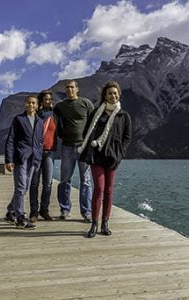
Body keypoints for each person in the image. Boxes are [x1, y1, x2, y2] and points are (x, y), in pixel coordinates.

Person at [78, 80, 131, 238]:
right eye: (110, 93)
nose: (113, 96)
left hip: (113, 157)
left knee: (109, 190)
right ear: (105, 96)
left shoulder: (123, 116)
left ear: (118, 95)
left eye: (115, 93)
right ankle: (94, 223)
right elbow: (87, 132)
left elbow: (127, 138)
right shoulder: (96, 113)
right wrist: (89, 150)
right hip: (97, 156)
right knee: (99, 189)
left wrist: (120, 153)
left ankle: (105, 223)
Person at [54, 80, 94, 222]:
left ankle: (87, 212)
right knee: (65, 179)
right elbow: (53, 122)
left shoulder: (86, 103)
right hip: (66, 147)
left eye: (72, 87)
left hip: (84, 147)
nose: (69, 89)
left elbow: (94, 123)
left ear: (77, 89)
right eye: (67, 88)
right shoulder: (60, 106)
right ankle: (65, 209)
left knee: (86, 181)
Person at [4, 95, 43, 229]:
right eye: (28, 103)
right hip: (21, 157)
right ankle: (20, 218)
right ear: (25, 105)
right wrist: (9, 160)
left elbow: (39, 141)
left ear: (37, 106)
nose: (31, 105)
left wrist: (39, 155)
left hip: (34, 158)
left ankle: (11, 211)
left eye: (33, 103)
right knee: (21, 187)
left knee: (25, 188)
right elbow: (10, 140)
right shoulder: (19, 119)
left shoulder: (40, 121)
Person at [29, 89, 57, 223]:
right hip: (36, 153)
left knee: (48, 183)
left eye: (50, 99)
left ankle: (44, 209)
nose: (49, 101)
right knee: (34, 183)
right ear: (41, 101)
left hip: (50, 152)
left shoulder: (56, 115)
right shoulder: (36, 115)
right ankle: (34, 211)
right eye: (46, 99)